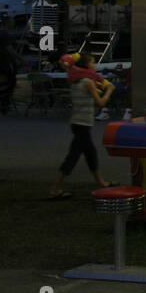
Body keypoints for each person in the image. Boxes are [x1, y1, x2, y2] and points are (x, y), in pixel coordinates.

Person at [48, 52, 114, 198]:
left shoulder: (75, 80)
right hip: (83, 124)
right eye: (92, 62)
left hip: (77, 123)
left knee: (89, 154)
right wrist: (109, 90)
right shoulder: (88, 82)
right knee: (74, 157)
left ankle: (102, 182)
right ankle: (55, 189)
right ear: (86, 65)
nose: (94, 65)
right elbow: (100, 103)